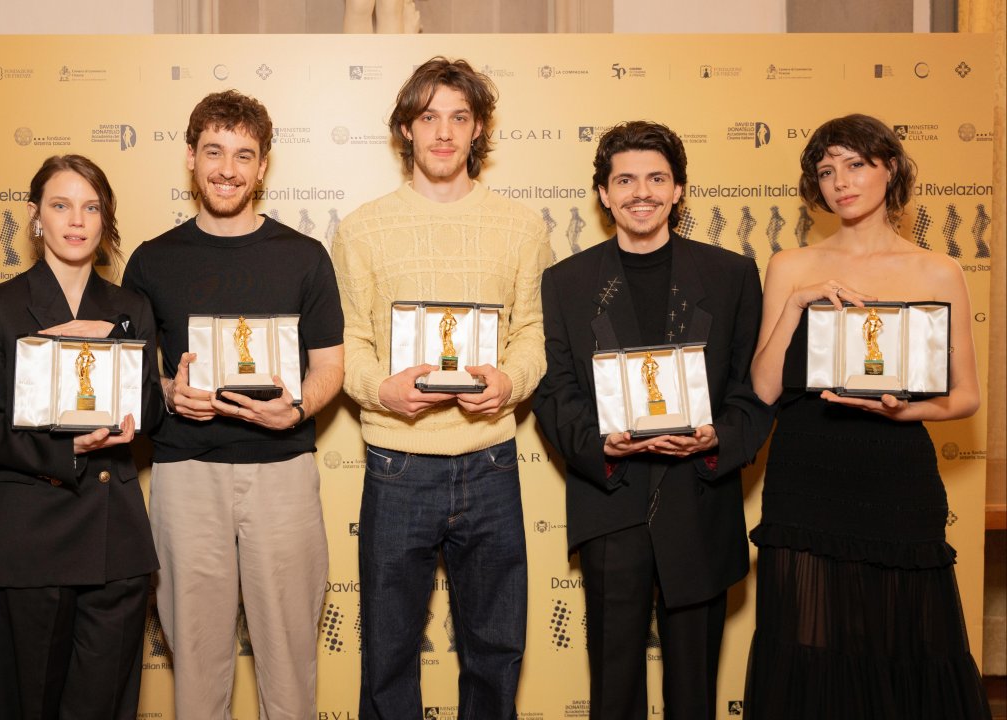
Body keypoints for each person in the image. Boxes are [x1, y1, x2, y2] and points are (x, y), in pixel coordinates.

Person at [745, 114, 990, 719]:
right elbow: (765, 386)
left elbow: (966, 398)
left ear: (891, 169)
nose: (840, 182)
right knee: (808, 647)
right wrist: (798, 303)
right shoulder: (789, 265)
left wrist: (904, 411)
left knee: (903, 644)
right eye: (827, 171)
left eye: (855, 164)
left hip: (896, 474)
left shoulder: (939, 271)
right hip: (806, 476)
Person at [330, 57, 551, 718]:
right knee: (389, 650)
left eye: (459, 116)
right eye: (428, 117)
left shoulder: (521, 225)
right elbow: (349, 341)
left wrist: (510, 380)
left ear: (478, 127)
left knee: (494, 650)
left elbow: (535, 332)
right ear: (405, 129)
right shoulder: (363, 227)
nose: (444, 132)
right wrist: (380, 389)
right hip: (398, 464)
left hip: (490, 460)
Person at [532, 121, 772, 720]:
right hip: (611, 501)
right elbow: (554, 389)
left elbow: (755, 389)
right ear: (604, 194)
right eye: (626, 180)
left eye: (657, 178)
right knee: (614, 693)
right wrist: (600, 444)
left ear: (679, 190)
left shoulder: (732, 275)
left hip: (699, 499)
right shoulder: (566, 282)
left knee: (695, 693)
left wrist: (721, 438)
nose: (643, 192)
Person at [122, 90, 344, 719]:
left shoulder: (304, 256)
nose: (228, 168)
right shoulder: (151, 260)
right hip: (185, 476)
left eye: (244, 155)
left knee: (292, 660)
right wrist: (169, 392)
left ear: (263, 165)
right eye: (214, 151)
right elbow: (137, 379)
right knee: (195, 663)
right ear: (190, 157)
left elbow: (329, 368)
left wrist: (297, 410)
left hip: (283, 474)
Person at [0, 155, 160, 719]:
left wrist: (164, 391)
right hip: (30, 542)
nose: (77, 220)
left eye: (91, 207)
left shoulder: (129, 308)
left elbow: (145, 420)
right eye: (61, 205)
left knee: (104, 708)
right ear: (35, 216)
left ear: (105, 219)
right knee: (29, 705)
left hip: (114, 541)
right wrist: (64, 448)